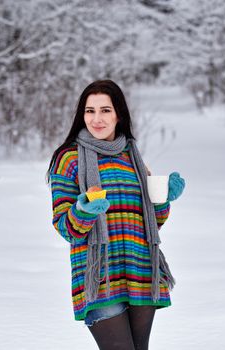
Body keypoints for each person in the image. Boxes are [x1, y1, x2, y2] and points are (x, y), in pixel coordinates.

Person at [46, 79, 185, 350]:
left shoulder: (131, 156)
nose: (97, 118)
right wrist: (83, 209)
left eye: (105, 110)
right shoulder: (68, 159)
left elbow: (149, 223)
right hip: (100, 277)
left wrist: (162, 200)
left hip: (140, 270)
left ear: (119, 114)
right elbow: (66, 229)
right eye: (90, 111)